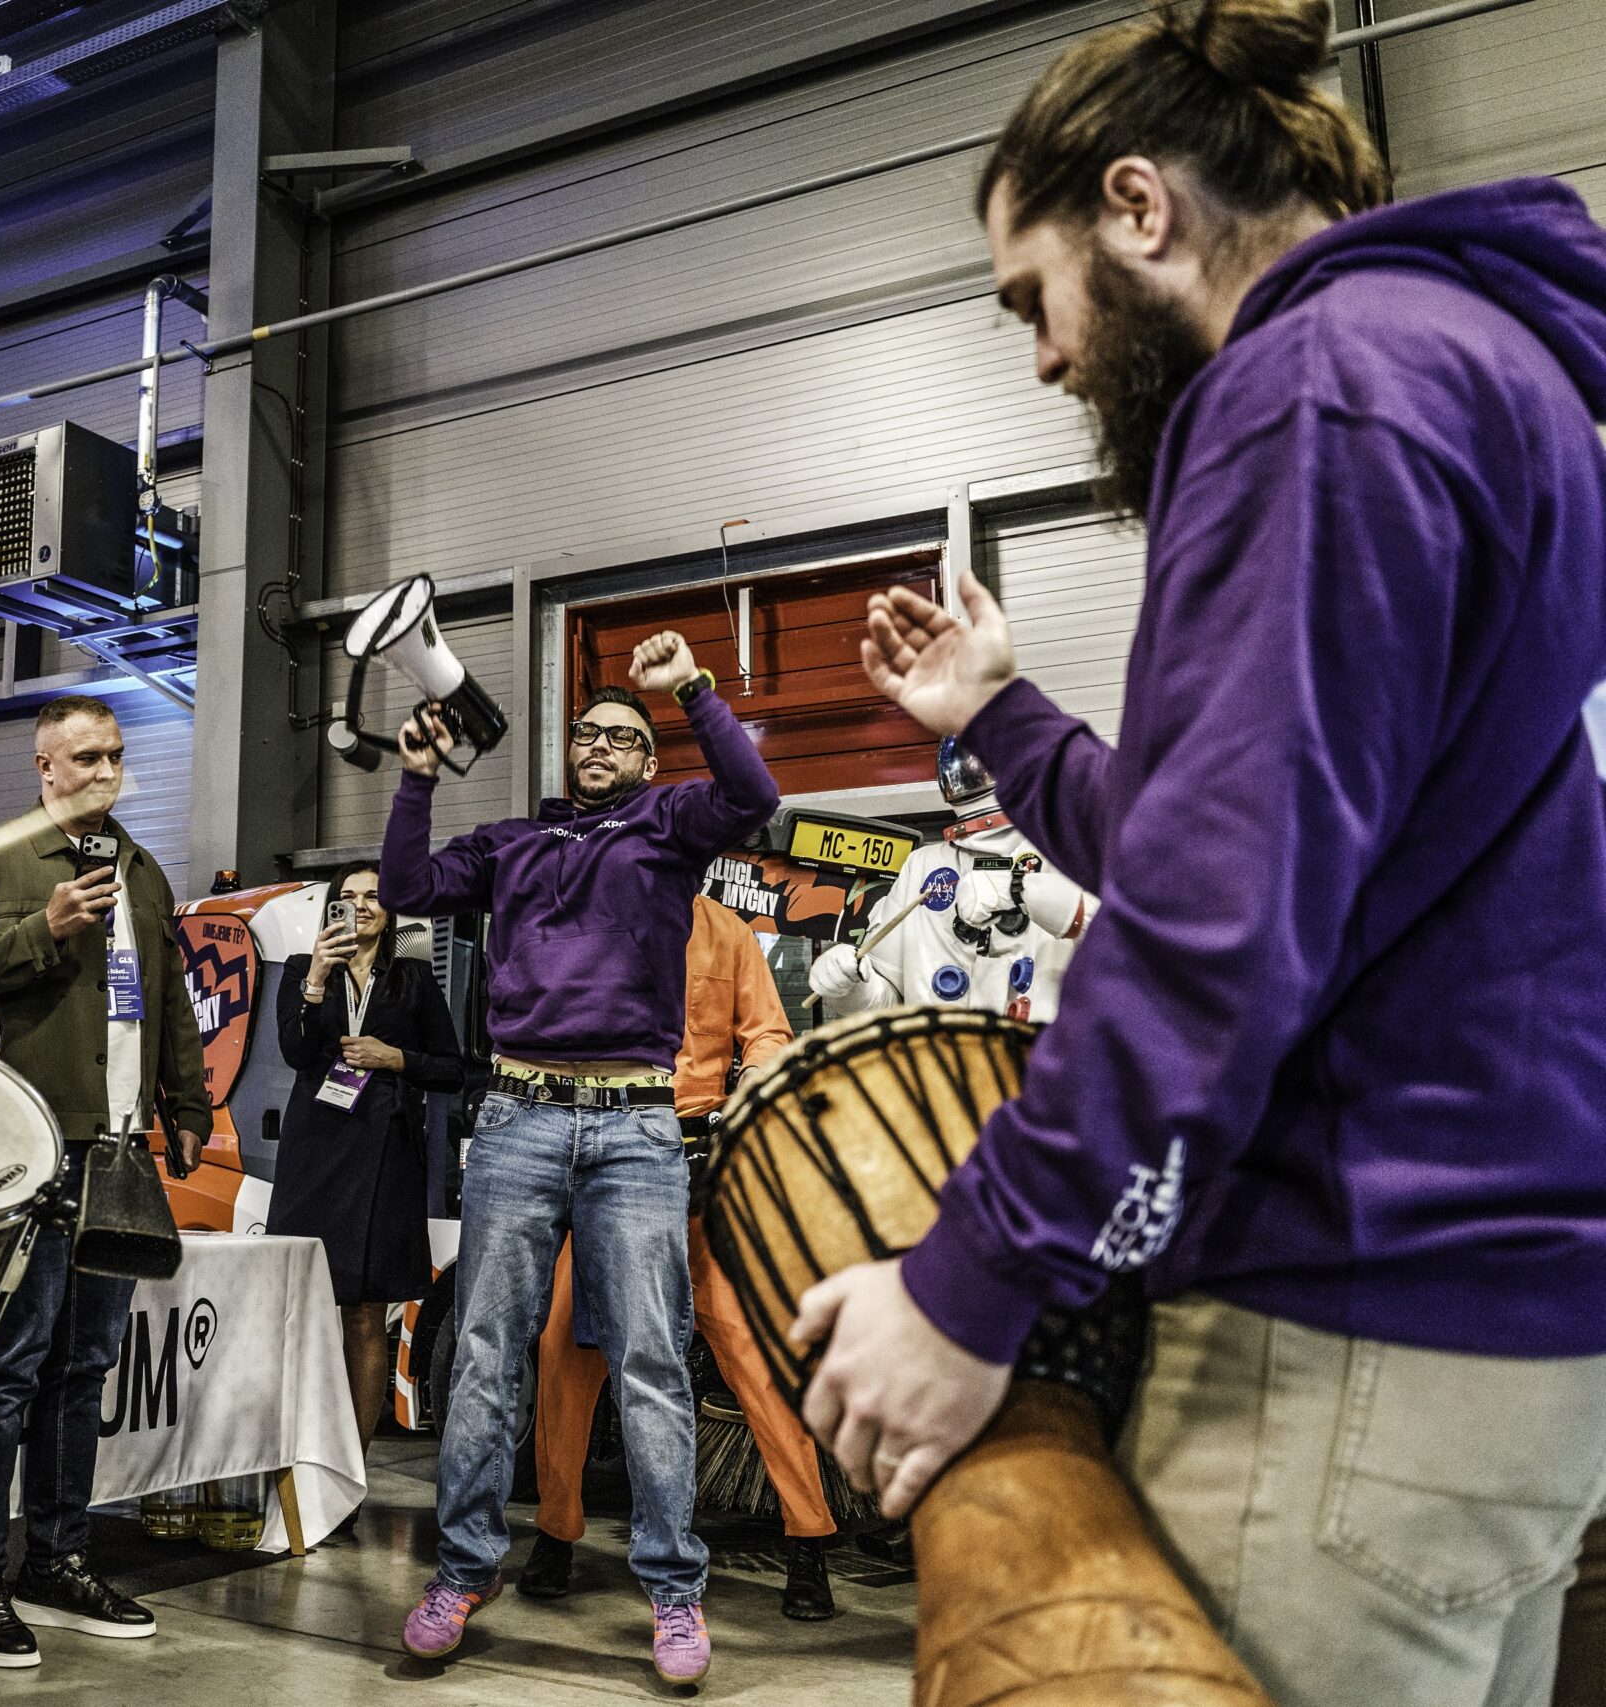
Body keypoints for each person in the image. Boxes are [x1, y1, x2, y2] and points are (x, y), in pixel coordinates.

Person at [794, 4, 1606, 1704]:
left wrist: (969, 1284)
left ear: (1138, 206)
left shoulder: (1313, 393)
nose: (1043, 358)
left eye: (1032, 296)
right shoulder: (1481, 372)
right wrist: (997, 716)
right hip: (1505, 1337)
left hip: (1349, 1326)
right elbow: (1270, 855)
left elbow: (1208, 927)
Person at [384, 650, 782, 1687]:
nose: (599, 746)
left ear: (648, 760)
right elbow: (407, 887)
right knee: (485, 1352)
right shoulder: (513, 842)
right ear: (568, 752)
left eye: (622, 737)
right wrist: (417, 778)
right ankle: (462, 1572)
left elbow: (754, 795)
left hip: (637, 1127)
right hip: (517, 1115)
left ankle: (675, 1592)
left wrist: (692, 689)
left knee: (652, 1361)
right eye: (586, 734)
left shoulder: (668, 828)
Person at [0, 695, 213, 1670]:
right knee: (9, 1371)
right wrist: (44, 929)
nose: (105, 771)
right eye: (85, 756)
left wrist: (188, 1102)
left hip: (118, 1153)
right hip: (28, 1149)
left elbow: (169, 997)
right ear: (44, 766)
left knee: (83, 1369)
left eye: (115, 755)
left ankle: (55, 1560)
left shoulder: (142, 870)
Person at [523, 892, 836, 1620]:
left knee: (759, 1356)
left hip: (702, 1175)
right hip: (605, 1172)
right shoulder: (584, 924)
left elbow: (768, 1032)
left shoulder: (728, 932)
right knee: (563, 1352)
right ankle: (556, 1530)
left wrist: (751, 1085)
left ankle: (809, 1541)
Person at [270, 862, 465, 1448]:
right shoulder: (303, 968)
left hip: (385, 1156)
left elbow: (452, 1069)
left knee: (365, 1314)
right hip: (314, 1155)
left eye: (374, 896)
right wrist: (315, 980)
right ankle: (299, 1449)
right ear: (332, 906)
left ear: (390, 910)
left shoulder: (413, 979)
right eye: (348, 896)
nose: (360, 905)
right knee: (305, 1308)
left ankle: (353, 1463)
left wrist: (395, 1058)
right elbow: (294, 1052)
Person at [807, 736, 1092, 1023]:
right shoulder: (923, 867)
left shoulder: (1070, 852)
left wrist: (1019, 891)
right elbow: (887, 1005)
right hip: (943, 1049)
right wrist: (851, 988)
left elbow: (1114, 946)